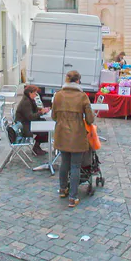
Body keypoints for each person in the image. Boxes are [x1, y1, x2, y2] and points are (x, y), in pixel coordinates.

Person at [52, 71, 95, 208]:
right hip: (77, 134)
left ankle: (63, 189)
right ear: (78, 81)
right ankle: (73, 196)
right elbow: (90, 119)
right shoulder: (82, 97)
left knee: (64, 162)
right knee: (75, 165)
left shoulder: (58, 95)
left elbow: (54, 116)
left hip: (62, 133)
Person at [15, 85, 50, 155]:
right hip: (24, 126)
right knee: (44, 129)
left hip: (26, 123)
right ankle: (36, 147)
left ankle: (37, 146)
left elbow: (34, 109)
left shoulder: (29, 99)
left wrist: (41, 109)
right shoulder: (26, 102)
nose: (35, 95)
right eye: (35, 93)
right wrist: (41, 112)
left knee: (44, 123)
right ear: (29, 93)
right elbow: (30, 117)